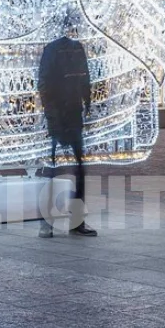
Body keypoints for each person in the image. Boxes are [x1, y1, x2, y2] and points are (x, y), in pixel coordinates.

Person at [37, 31, 97, 237]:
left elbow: (84, 77)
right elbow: (44, 83)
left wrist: (87, 103)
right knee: (54, 169)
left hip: (73, 114)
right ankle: (48, 221)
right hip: (59, 115)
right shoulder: (54, 49)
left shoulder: (75, 48)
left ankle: (74, 221)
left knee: (77, 168)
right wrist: (52, 113)